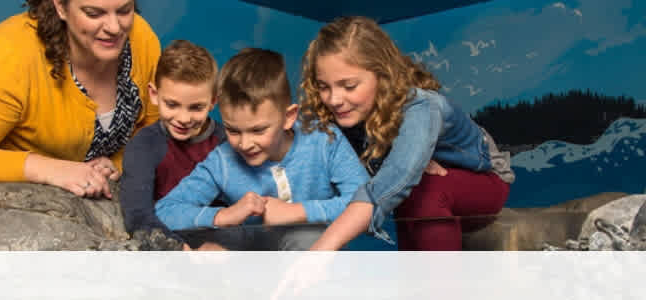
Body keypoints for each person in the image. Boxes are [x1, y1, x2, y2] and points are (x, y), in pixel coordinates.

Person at [299, 16, 516, 251]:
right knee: (411, 196)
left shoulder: (422, 107)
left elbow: (392, 182)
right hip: (418, 198)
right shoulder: (344, 118)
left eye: (349, 86)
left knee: (425, 189)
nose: (334, 99)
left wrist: (321, 250)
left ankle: (446, 286)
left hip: (485, 183)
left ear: (383, 76)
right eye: (323, 87)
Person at [0, 0, 160, 199]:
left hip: (82, 206)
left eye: (124, 10)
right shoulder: (8, 55)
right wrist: (51, 169)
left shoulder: (140, 37)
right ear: (60, 6)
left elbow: (155, 128)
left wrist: (118, 165)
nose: (114, 27)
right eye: (93, 13)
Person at [154, 48, 369, 251]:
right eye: (233, 130)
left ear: (288, 117)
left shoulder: (324, 139)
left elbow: (368, 200)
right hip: (253, 270)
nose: (245, 144)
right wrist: (223, 215)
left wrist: (297, 212)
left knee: (305, 236)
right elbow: (165, 211)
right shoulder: (223, 160)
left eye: (258, 130)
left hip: (318, 269)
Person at [117, 39, 227, 250]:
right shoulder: (143, 146)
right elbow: (138, 216)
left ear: (213, 101)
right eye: (172, 104)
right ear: (154, 95)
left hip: (222, 243)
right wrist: (180, 250)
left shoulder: (226, 142)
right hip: (169, 243)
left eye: (196, 107)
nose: (183, 118)